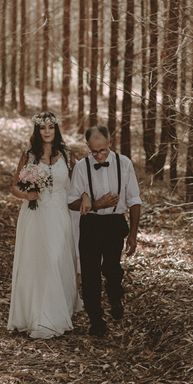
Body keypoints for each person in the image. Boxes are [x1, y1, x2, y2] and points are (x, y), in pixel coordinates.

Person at [7, 112, 83, 338]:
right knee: (37, 262)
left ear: (56, 129)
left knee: (55, 259)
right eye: (43, 128)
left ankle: (57, 312)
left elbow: (79, 181)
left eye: (51, 127)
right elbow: (14, 187)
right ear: (37, 131)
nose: (47, 131)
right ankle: (35, 316)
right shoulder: (29, 156)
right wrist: (26, 195)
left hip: (59, 215)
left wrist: (86, 196)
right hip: (35, 216)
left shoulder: (67, 155)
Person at [67, 125, 143, 337]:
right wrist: (95, 204)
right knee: (90, 274)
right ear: (88, 147)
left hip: (115, 223)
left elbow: (135, 200)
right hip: (90, 224)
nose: (99, 156)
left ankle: (115, 297)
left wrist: (133, 235)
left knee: (112, 270)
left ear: (110, 143)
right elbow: (71, 202)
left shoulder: (124, 163)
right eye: (94, 151)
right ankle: (96, 319)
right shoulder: (82, 167)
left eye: (102, 150)